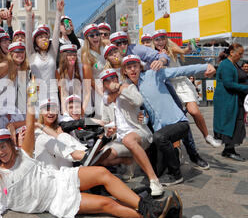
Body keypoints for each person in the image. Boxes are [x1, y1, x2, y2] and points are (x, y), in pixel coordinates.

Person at [0, 98, 182, 218]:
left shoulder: (22, 154)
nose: (1, 151)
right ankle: (155, 214)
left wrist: (32, 97)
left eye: (3, 146)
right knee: (107, 205)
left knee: (102, 173)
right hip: (54, 201)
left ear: (10, 145)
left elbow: (30, 119)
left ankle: (149, 207)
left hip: (59, 179)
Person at [121, 54, 217, 186]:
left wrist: (206, 66)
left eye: (135, 66)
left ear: (140, 67)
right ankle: (174, 154)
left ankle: (176, 175)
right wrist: (143, 116)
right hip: (161, 130)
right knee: (156, 171)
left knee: (159, 137)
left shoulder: (153, 75)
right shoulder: (132, 89)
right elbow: (146, 112)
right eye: (129, 67)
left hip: (179, 124)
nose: (132, 70)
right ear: (124, 71)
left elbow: (181, 71)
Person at [151, 29, 220, 149]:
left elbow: (184, 50)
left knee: (194, 111)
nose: (160, 41)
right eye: (157, 39)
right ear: (153, 41)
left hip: (181, 82)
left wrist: (190, 47)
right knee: (176, 123)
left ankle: (207, 136)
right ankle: (180, 152)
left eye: (162, 38)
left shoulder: (171, 49)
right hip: (167, 87)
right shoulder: (151, 53)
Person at [100, 68, 164, 196]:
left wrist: (119, 89)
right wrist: (109, 131)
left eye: (113, 78)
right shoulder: (105, 99)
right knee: (101, 157)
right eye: (107, 80)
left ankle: (154, 180)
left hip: (139, 133)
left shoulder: (128, 88)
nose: (111, 81)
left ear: (117, 79)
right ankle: (129, 161)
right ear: (104, 85)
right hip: (120, 139)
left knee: (129, 139)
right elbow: (106, 122)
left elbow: (138, 101)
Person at [35, 98, 111, 169]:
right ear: (41, 112)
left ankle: (87, 156)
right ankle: (86, 156)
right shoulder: (35, 130)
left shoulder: (61, 126)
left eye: (53, 109)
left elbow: (77, 123)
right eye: (47, 110)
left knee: (63, 136)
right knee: (60, 136)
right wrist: (95, 121)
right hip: (47, 167)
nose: (51, 113)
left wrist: (101, 127)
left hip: (65, 165)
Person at [213, 44, 248, 161]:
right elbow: (228, 84)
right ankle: (229, 150)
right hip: (228, 100)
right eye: (239, 54)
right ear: (232, 52)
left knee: (236, 122)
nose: (241, 56)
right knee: (231, 123)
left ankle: (229, 149)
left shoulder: (233, 64)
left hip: (235, 99)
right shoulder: (226, 65)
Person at [25, 0, 63, 101]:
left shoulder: (52, 53)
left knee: (53, 116)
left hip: (52, 94)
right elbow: (28, 35)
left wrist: (59, 13)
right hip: (35, 93)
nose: (44, 39)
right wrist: (28, 14)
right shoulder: (31, 54)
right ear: (35, 41)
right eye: (40, 37)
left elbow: (55, 34)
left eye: (46, 37)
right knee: (35, 117)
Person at [57, 44, 83, 115]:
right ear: (63, 57)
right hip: (70, 108)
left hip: (83, 106)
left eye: (74, 55)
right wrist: (65, 113)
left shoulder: (82, 68)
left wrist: (82, 111)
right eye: (69, 55)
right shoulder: (58, 72)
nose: (73, 57)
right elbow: (63, 95)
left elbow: (87, 92)